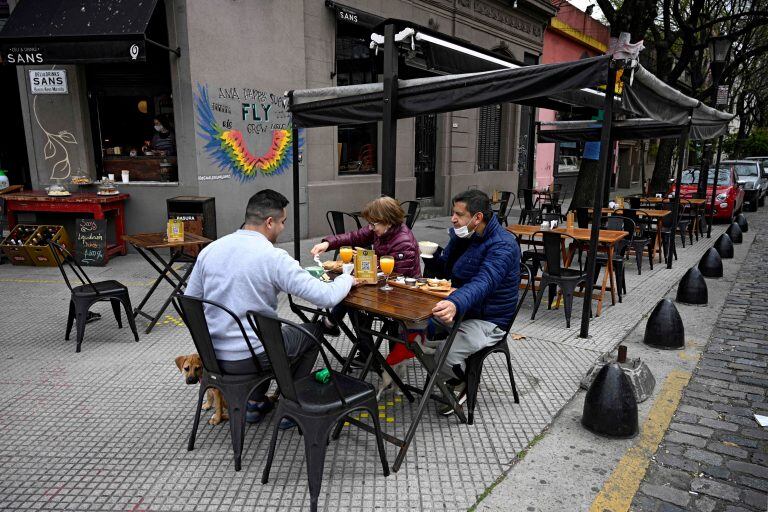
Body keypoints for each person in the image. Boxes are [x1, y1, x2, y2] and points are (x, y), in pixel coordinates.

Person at [185, 189, 357, 427]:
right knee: (312, 331)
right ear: (269, 222)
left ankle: (254, 404)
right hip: (254, 356)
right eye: (283, 222)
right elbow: (326, 297)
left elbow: (190, 302)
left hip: (212, 356)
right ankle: (292, 405)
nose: (283, 228)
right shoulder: (274, 257)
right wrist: (347, 278)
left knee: (277, 337)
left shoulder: (210, 250)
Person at [427, 189, 520, 415]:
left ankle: (463, 380)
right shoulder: (464, 236)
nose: (453, 218)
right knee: (414, 329)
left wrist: (455, 303)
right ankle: (453, 368)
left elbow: (484, 281)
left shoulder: (503, 245)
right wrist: (429, 257)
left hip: (490, 319)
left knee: (443, 355)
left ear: (477, 218)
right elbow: (446, 271)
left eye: (459, 214)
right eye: (453, 213)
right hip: (465, 309)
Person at [311, 197, 422, 369]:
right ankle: (367, 353)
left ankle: (362, 349)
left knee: (352, 297)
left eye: (374, 224)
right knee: (351, 297)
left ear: (388, 221)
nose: (371, 228)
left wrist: (369, 261)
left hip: (402, 295)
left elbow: (395, 277)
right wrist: (327, 243)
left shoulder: (403, 242)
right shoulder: (381, 230)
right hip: (384, 287)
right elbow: (354, 236)